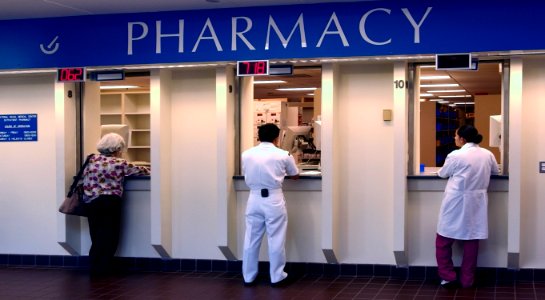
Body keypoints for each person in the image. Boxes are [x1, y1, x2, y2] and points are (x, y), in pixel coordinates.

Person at [435, 125, 499, 289]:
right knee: (472, 240)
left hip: (456, 200)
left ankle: (448, 277)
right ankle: (467, 280)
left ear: (462, 139)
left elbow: (443, 173)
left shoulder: (456, 155)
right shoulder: (487, 154)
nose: (454, 138)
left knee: (443, 240)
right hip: (476, 202)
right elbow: (495, 172)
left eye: (456, 136)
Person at [82, 133, 150, 277]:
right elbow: (143, 171)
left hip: (91, 202)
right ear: (117, 149)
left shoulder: (90, 159)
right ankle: (104, 268)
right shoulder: (119, 163)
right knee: (110, 236)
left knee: (96, 235)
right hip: (109, 203)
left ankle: (95, 267)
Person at [241, 123, 299, 287]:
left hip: (253, 198)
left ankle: (248, 276)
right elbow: (295, 175)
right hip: (273, 199)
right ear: (277, 137)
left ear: (259, 136)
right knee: (276, 238)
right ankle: (277, 276)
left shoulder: (247, 154)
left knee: (251, 239)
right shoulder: (283, 154)